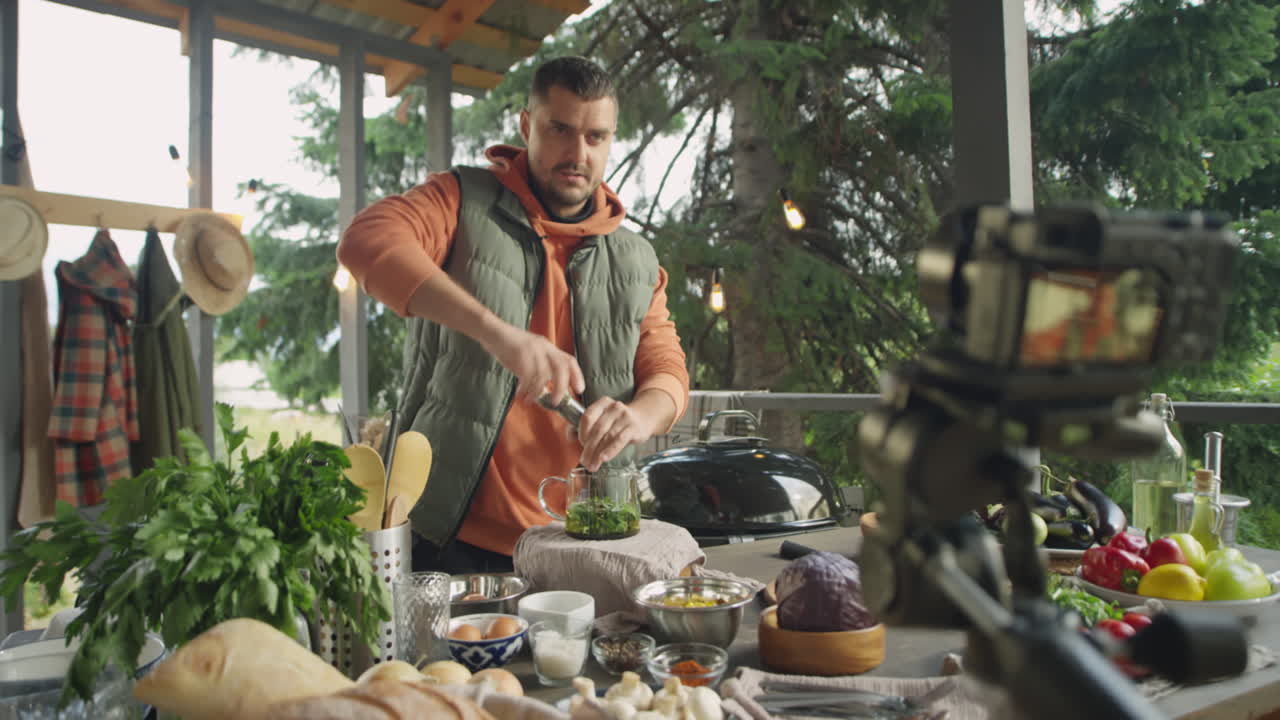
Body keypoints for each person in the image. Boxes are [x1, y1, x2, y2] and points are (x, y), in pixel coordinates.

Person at [337, 56, 690, 574]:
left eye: (596, 137)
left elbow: (668, 373)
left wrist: (637, 418)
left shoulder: (636, 259)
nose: (578, 153)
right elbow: (365, 242)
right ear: (527, 125)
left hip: (580, 546)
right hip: (446, 537)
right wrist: (500, 336)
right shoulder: (459, 200)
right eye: (560, 129)